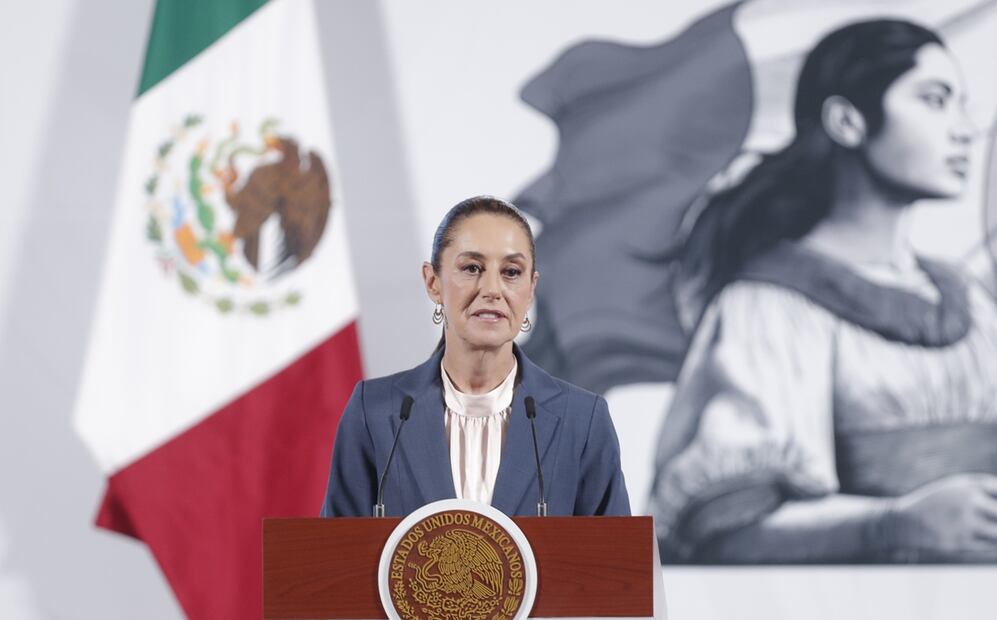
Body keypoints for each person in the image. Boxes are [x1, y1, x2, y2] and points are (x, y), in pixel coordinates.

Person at [650, 19, 997, 563]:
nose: (962, 130)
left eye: (962, 105)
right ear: (847, 121)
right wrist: (893, 524)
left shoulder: (973, 303)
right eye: (934, 100)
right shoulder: (769, 307)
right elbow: (723, 529)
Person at [321, 196, 630, 517]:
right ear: (433, 282)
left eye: (511, 272)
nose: (492, 289)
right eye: (472, 268)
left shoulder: (582, 420)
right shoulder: (375, 413)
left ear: (531, 288)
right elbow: (334, 559)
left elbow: (618, 563)